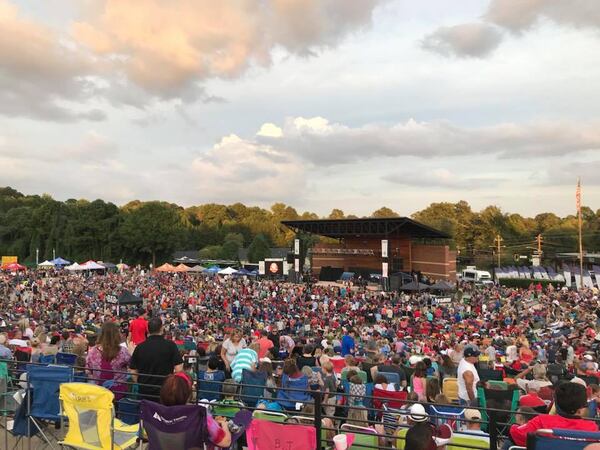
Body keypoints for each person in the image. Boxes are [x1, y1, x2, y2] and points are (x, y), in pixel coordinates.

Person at [506, 382, 599, 448]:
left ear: (556, 403)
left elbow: (515, 433)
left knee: (508, 443)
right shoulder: (592, 429)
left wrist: (514, 426)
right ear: (581, 408)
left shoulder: (541, 422)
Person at [159, 373, 232, 448]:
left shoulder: (155, 414)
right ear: (187, 394)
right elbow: (225, 442)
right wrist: (224, 425)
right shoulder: (199, 416)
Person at [129, 317, 183, 400]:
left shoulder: (140, 347)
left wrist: (141, 383)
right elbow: (179, 369)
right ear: (161, 328)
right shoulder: (170, 345)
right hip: (165, 390)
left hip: (144, 391)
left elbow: (133, 371)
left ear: (148, 329)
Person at [86, 321, 131, 398]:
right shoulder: (123, 351)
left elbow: (87, 370)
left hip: (98, 392)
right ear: (117, 334)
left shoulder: (92, 351)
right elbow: (132, 365)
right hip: (118, 393)